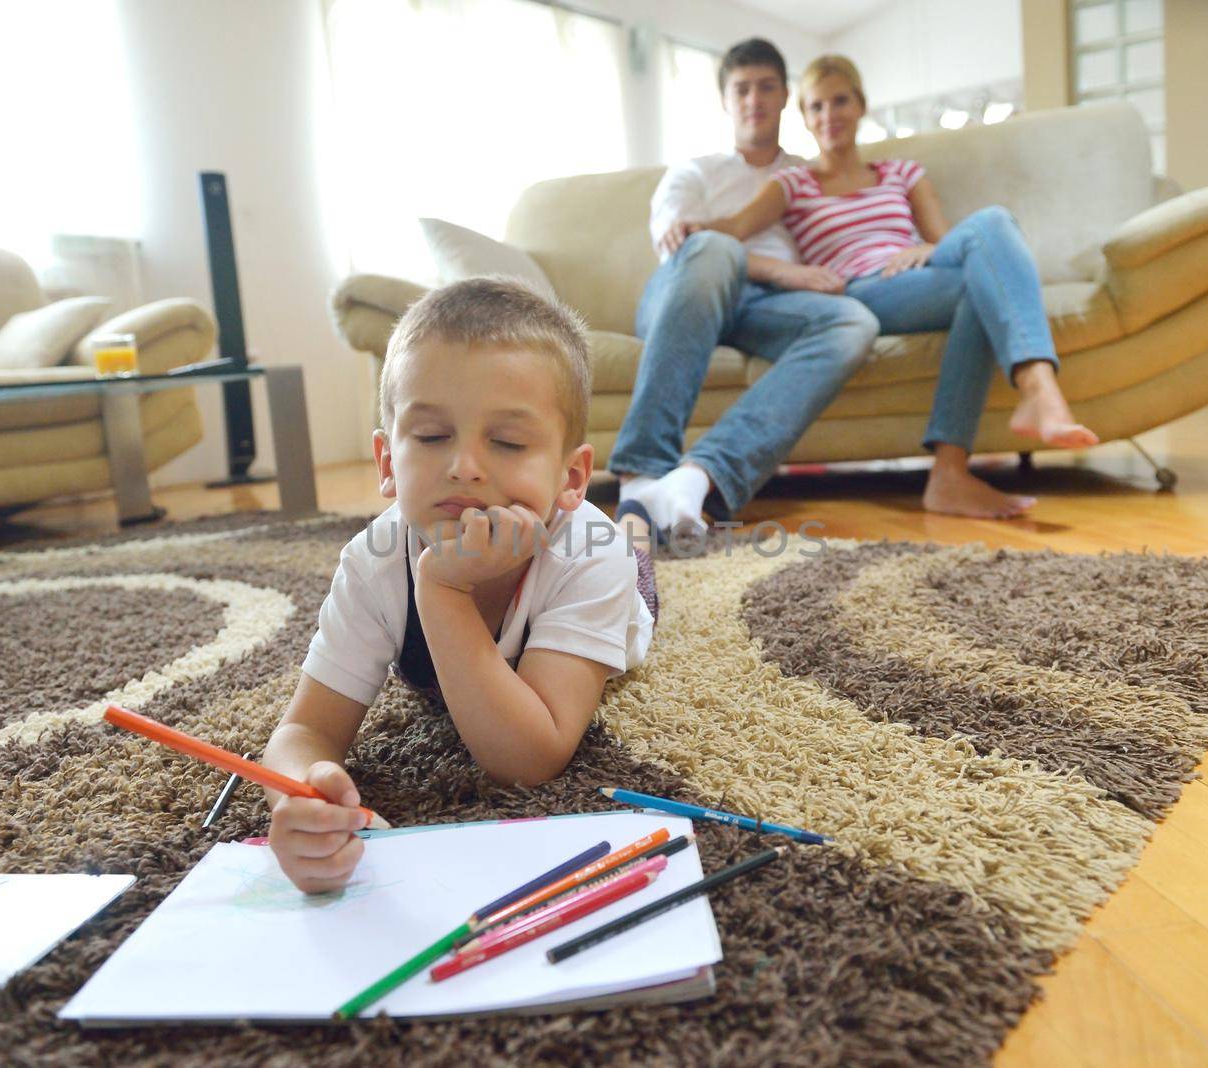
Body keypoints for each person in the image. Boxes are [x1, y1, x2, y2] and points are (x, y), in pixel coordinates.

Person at [262, 277, 658, 893]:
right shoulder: (372, 562)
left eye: (507, 442)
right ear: (388, 464)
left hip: (614, 585)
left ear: (571, 475)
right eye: (431, 437)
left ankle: (640, 521)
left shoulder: (590, 556)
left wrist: (442, 592)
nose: (465, 467)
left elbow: (529, 761)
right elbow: (304, 730)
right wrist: (302, 794)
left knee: (631, 551)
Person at [689, 55, 1100, 519]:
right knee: (991, 237)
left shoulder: (903, 173)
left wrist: (925, 250)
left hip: (923, 272)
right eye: (817, 107)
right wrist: (691, 228)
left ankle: (950, 475)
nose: (829, 116)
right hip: (864, 290)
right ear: (805, 118)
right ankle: (1039, 391)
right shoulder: (794, 183)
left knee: (990, 239)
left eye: (840, 101)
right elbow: (734, 230)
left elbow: (947, 242)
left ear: (861, 105)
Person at [609, 37, 879, 546]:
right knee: (716, 249)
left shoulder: (805, 174)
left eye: (766, 87)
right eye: (742, 89)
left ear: (784, 98)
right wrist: (779, 270)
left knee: (854, 321)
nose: (754, 99)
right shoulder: (695, 172)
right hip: (687, 298)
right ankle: (640, 477)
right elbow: (684, 247)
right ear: (726, 101)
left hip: (764, 311)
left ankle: (696, 479)